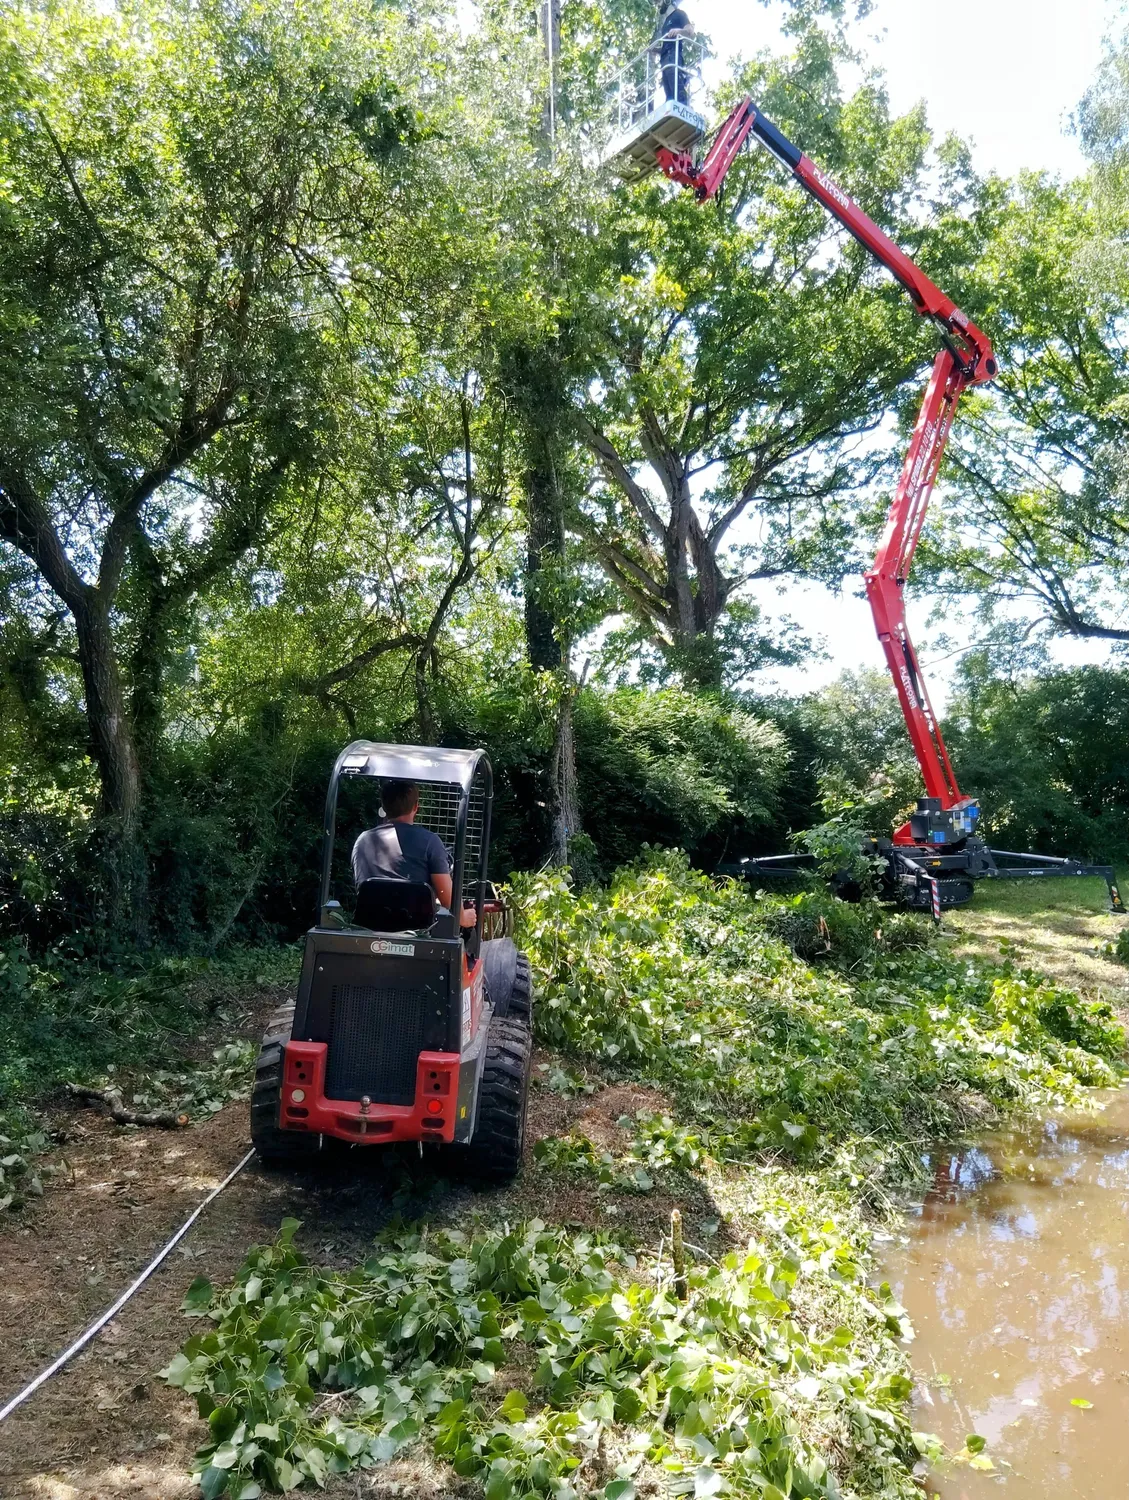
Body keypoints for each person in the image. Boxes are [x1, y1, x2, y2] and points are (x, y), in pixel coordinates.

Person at [352, 779, 476, 927]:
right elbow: (449, 902)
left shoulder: (362, 841)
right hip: (417, 933)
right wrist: (464, 918)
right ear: (416, 806)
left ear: (384, 805)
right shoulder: (430, 842)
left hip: (368, 928)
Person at [654, 1, 695, 105]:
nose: (657, 5)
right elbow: (666, 44)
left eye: (658, 1)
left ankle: (682, 104)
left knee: (676, 83)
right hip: (664, 59)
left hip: (673, 55)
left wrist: (679, 31)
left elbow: (690, 31)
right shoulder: (665, 22)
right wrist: (654, 49)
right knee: (668, 90)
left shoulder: (679, 14)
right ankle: (671, 105)